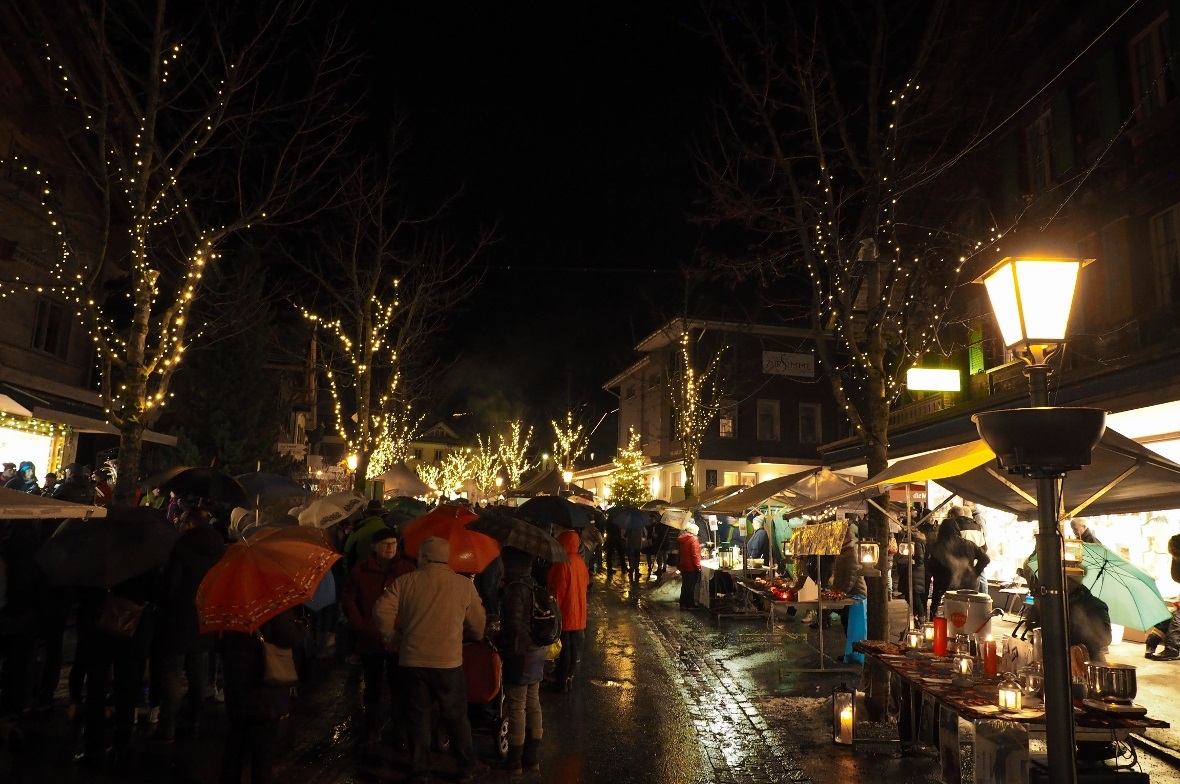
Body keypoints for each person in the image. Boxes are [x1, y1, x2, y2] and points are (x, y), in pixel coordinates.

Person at [371, 536, 487, 784]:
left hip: (412, 662)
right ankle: (467, 766)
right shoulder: (463, 585)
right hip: (448, 663)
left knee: (418, 717)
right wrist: (474, 635)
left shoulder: (405, 582)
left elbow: (381, 610)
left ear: (424, 557)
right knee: (456, 716)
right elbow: (478, 624)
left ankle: (420, 771)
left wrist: (392, 637)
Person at [149, 506, 225, 742]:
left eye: (183, 521)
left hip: (178, 618)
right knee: (197, 671)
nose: (180, 525)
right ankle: (194, 720)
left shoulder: (182, 547)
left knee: (173, 674)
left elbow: (170, 584)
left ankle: (167, 726)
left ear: (191, 524)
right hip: (204, 617)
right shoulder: (218, 547)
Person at [340, 527, 415, 747]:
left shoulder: (407, 569)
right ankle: (372, 729)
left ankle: (399, 731)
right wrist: (359, 624)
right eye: (385, 544)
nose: (390, 548)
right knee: (372, 687)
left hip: (398, 637)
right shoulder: (361, 570)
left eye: (394, 544)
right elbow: (349, 598)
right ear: (374, 546)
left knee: (398, 687)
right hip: (370, 637)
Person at [217, 608, 303, 784]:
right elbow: (287, 636)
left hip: (236, 683)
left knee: (234, 748)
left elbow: (219, 644)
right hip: (263, 686)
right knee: (262, 756)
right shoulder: (273, 603)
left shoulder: (228, 606)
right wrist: (301, 627)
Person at [497, 546, 547, 774]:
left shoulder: (515, 588)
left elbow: (512, 626)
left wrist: (502, 647)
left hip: (520, 654)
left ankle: (515, 760)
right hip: (536, 650)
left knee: (516, 705)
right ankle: (532, 758)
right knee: (533, 702)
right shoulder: (533, 584)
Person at [547, 529, 588, 693]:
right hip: (578, 610)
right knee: (573, 646)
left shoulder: (562, 563)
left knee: (565, 647)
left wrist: (553, 611)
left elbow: (557, 590)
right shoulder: (580, 561)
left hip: (565, 610)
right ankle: (569, 677)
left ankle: (561, 681)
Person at [926, 517, 990, 618]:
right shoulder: (969, 544)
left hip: (943, 584)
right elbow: (985, 559)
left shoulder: (938, 546)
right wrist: (974, 572)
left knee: (948, 612)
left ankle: (938, 621)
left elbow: (930, 566)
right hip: (967, 583)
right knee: (966, 610)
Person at [1066, 566, 1112, 664]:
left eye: (1068, 578)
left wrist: (1083, 625)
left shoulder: (1095, 606)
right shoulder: (1053, 602)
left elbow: (1105, 638)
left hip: (1087, 662)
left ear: (1076, 582)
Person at [678, 521, 703, 609]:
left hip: (684, 564)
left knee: (685, 584)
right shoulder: (694, 539)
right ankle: (690, 603)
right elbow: (695, 555)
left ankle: (683, 603)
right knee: (691, 585)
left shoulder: (683, 539)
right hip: (691, 566)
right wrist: (698, 566)